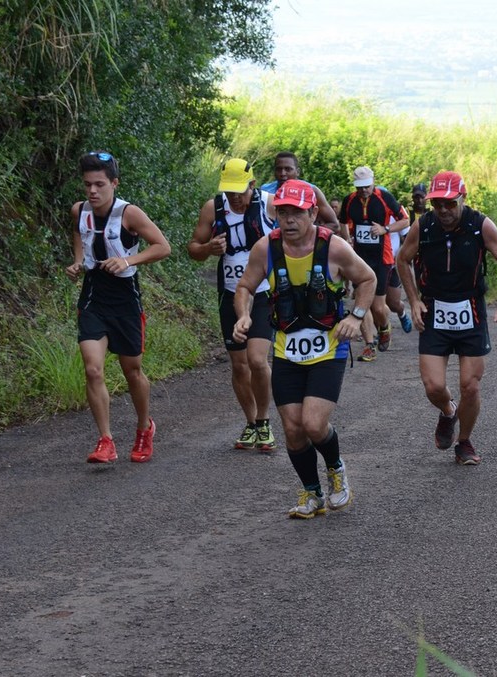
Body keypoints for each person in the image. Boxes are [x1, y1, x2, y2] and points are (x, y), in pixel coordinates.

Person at [232, 179, 376, 518]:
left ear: (313, 213)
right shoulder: (266, 248)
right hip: (287, 349)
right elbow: (245, 286)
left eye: (297, 212)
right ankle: (312, 493)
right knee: (293, 429)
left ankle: (336, 469)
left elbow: (368, 278)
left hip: (328, 347)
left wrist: (355, 317)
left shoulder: (333, 247)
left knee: (313, 424)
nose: (289, 220)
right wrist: (243, 315)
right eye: (283, 212)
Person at [396, 171, 497, 466]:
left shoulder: (480, 225)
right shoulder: (424, 226)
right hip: (433, 309)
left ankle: (464, 442)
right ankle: (448, 411)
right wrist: (413, 300)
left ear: (463, 198)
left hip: (470, 309)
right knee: (433, 386)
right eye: (437, 203)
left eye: (450, 203)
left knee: (470, 385)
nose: (443, 210)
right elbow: (402, 259)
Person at [65, 151, 172, 464]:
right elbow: (78, 232)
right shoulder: (79, 210)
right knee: (92, 368)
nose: (92, 191)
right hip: (93, 295)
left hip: (125, 297)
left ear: (114, 183)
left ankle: (144, 428)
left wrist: (127, 260)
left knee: (132, 370)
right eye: (87, 184)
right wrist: (78, 261)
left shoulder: (129, 214)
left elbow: (162, 247)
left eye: (99, 184)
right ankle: (105, 440)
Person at [187, 158, 278, 452]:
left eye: (240, 191)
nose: (235, 197)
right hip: (229, 293)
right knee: (239, 365)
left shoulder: (270, 204)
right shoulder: (213, 208)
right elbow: (193, 249)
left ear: (253, 184)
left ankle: (264, 420)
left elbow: (298, 232)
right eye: (229, 191)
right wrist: (208, 248)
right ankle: (251, 423)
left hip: (263, 293)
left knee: (257, 360)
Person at [339, 166, 410, 361]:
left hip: (381, 257)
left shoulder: (384, 197)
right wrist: (346, 239)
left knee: (378, 307)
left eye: (367, 186)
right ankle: (369, 345)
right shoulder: (349, 200)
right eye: (359, 187)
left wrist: (385, 229)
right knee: (362, 302)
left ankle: (384, 327)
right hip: (360, 257)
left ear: (373, 182)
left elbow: (405, 220)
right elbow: (342, 221)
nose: (363, 190)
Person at [261, 151, 341, 233]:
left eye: (288, 169)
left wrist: (306, 233)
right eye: (279, 169)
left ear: (297, 171)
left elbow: (334, 225)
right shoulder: (264, 191)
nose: (283, 173)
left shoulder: (311, 191)